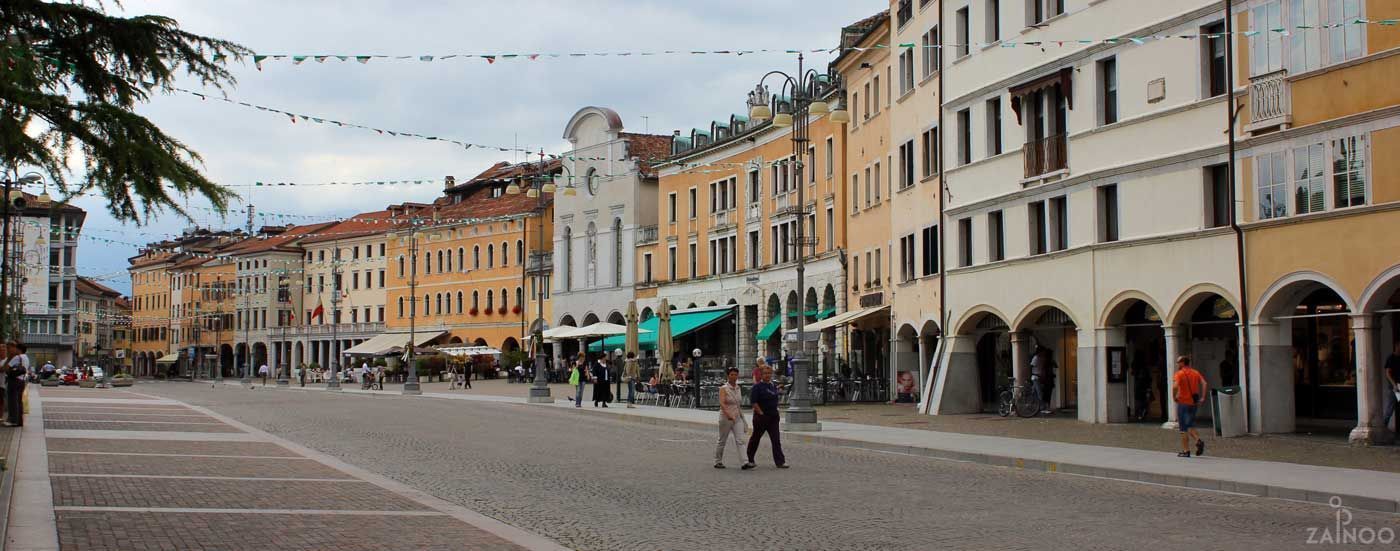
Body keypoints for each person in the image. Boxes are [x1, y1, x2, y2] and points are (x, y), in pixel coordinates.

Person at [742, 364, 787, 470]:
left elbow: (774, 398)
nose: (767, 375)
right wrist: (761, 413)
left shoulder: (772, 385)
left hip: (773, 417)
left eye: (769, 373)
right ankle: (749, 459)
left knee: (776, 440)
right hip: (761, 417)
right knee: (755, 438)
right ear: (761, 375)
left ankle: (780, 461)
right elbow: (754, 402)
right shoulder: (757, 387)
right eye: (765, 373)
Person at [1173, 355, 1207, 458]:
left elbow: (1175, 386)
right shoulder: (1195, 372)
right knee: (1190, 425)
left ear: (1183, 363)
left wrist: (1174, 396)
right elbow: (1204, 383)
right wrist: (1203, 397)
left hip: (1183, 403)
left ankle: (1186, 451)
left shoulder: (1179, 374)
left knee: (1183, 428)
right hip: (1193, 403)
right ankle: (1198, 440)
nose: (1177, 364)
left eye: (1178, 362)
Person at [715, 367, 747, 468]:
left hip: (737, 417)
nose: (734, 377)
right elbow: (722, 403)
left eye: (735, 375)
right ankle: (717, 461)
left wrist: (741, 417)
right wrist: (729, 415)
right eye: (731, 374)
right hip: (726, 418)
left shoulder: (738, 388)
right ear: (728, 376)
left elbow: (738, 404)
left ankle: (745, 462)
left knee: (740, 440)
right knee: (722, 440)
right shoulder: (723, 388)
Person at [6, 343, 30, 427]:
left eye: (15, 348)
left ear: (19, 349)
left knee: (13, 401)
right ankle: (20, 421)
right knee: (19, 401)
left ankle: (13, 420)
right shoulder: (26, 358)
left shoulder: (17, 357)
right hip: (22, 381)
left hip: (14, 380)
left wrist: (9, 357)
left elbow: (7, 367)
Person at [1032, 346, 1057, 414]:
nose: (1044, 353)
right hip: (1037, 377)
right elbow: (1032, 367)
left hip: (1041, 378)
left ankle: (1036, 407)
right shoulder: (1036, 358)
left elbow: (1055, 366)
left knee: (1036, 392)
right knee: (1040, 393)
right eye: (1043, 352)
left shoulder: (1044, 359)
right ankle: (1042, 408)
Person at [1382, 341, 1400, 432]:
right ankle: (1383, 428)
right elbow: (1388, 373)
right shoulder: (1391, 358)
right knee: (1390, 409)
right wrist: (1394, 385)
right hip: (1394, 387)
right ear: (1396, 346)